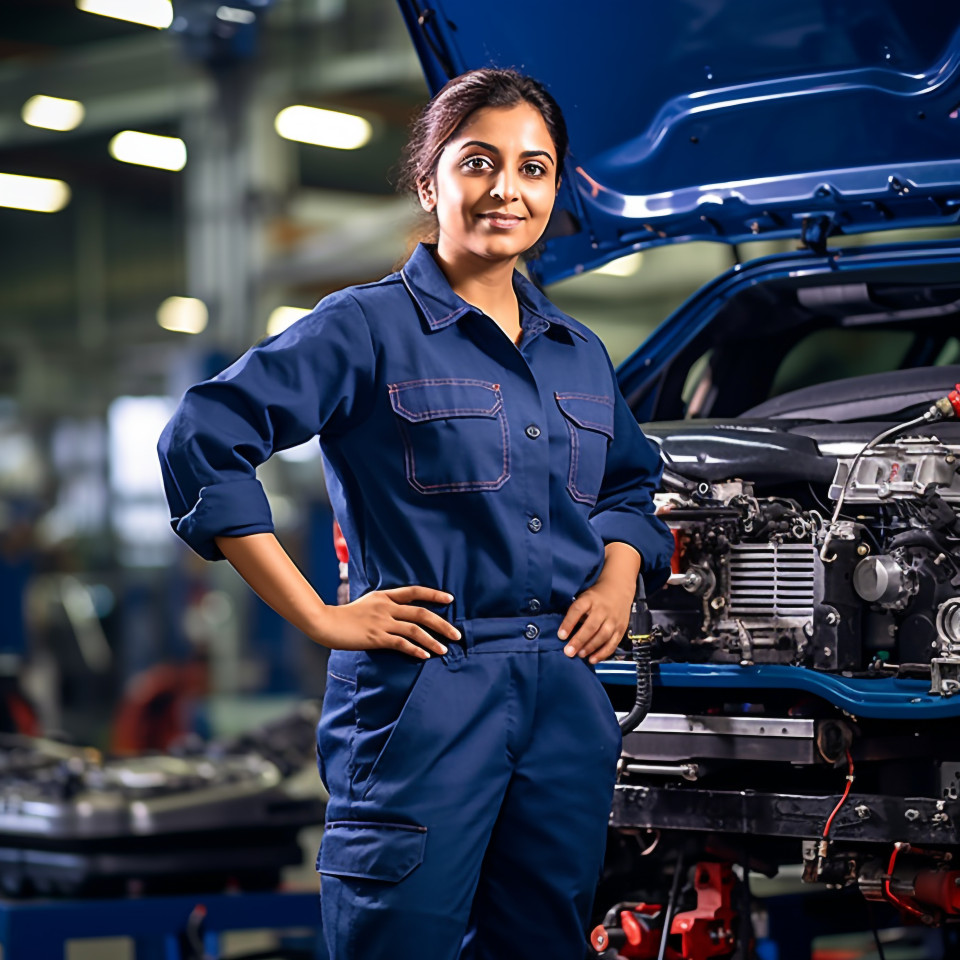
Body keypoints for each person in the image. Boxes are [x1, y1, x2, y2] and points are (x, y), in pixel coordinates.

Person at [157, 67, 673, 960]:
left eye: (534, 167)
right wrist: (318, 612)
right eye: (479, 163)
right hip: (425, 690)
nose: (506, 189)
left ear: (555, 190)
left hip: (562, 691)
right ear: (430, 181)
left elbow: (633, 483)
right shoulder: (364, 328)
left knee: (546, 938)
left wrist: (621, 572)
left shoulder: (578, 353)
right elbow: (203, 436)